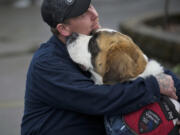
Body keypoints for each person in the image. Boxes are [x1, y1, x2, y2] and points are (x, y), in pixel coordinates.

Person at [21, 0, 180, 135]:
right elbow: (98, 99)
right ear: (63, 28)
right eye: (83, 13)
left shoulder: (101, 36)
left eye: (90, 5)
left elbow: (143, 67)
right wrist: (154, 86)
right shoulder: (47, 64)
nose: (94, 14)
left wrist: (168, 84)